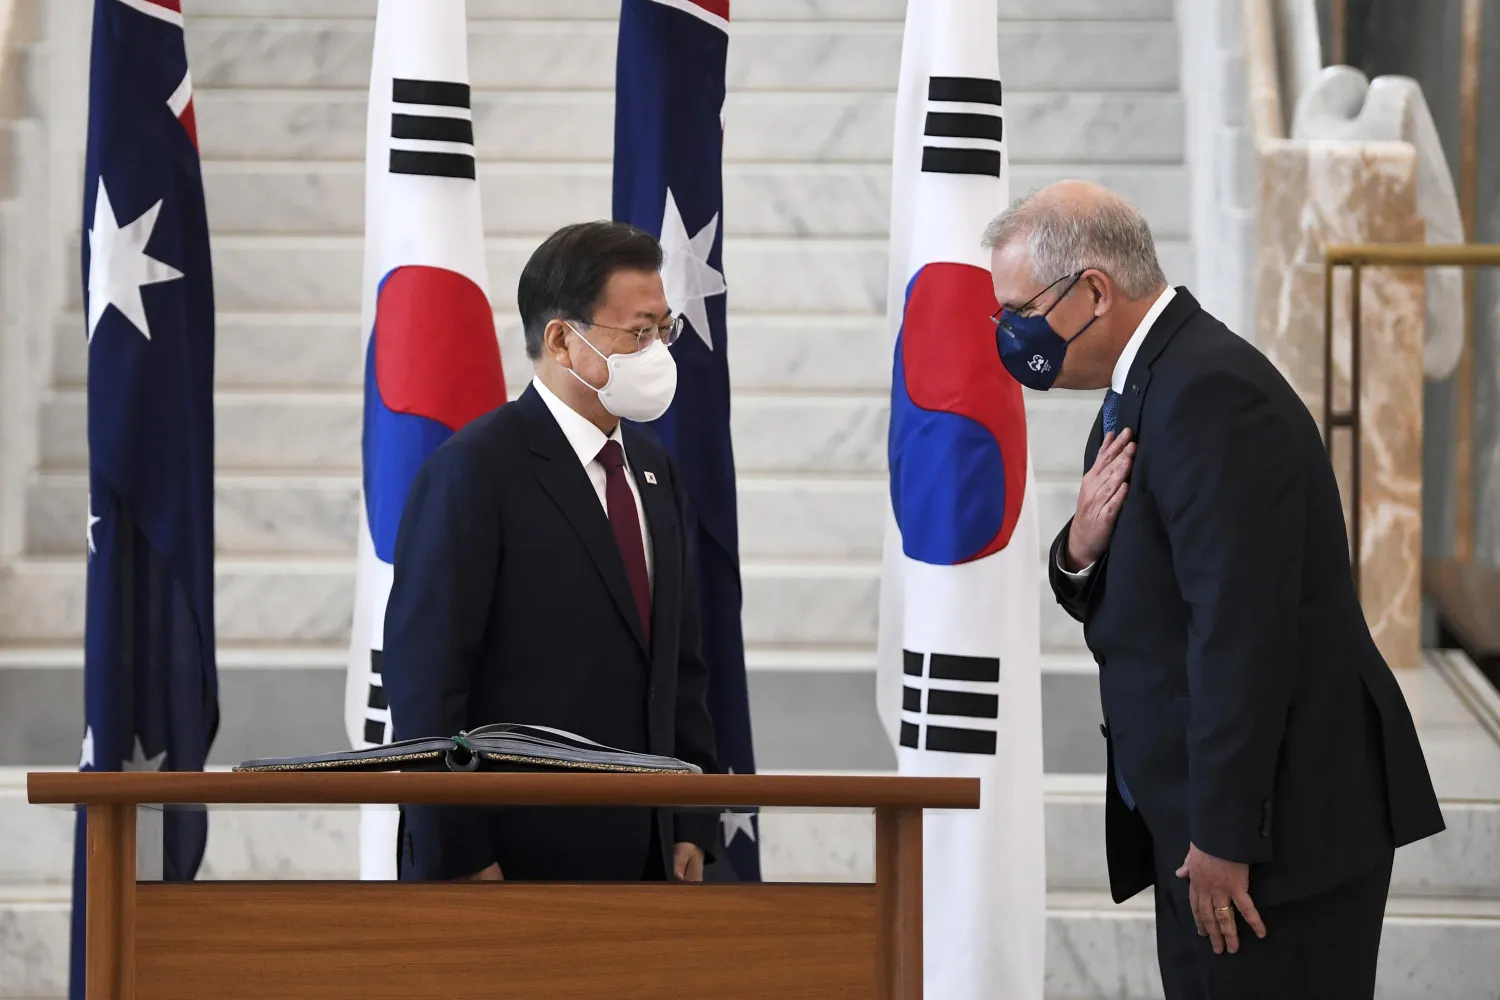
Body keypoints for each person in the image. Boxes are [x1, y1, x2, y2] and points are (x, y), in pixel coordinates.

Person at [985, 181, 1444, 998]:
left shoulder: (1208, 393)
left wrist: (1224, 835)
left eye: (1017, 310)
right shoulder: (1147, 384)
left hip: (1267, 843)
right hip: (1202, 827)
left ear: (1094, 289)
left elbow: (1242, 630)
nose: (1008, 334)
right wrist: (1077, 550)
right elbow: (1151, 588)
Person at [381, 220, 719, 883]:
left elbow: (680, 664)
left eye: (664, 330)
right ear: (563, 339)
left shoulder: (654, 471)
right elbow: (427, 687)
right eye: (638, 332)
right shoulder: (475, 471)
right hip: (511, 859)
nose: (656, 351)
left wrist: (691, 820)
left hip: (646, 852)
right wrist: (463, 855)